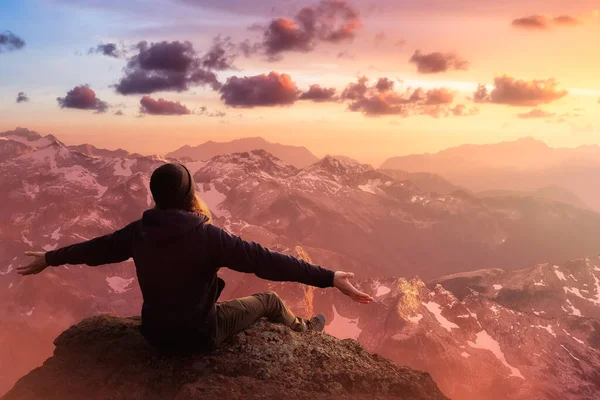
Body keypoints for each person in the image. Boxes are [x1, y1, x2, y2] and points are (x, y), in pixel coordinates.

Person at [18, 163, 373, 351]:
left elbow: (94, 249)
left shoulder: (138, 231)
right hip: (199, 336)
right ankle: (304, 330)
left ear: (155, 196)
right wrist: (329, 278)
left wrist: (49, 258)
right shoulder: (208, 237)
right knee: (270, 299)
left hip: (155, 335)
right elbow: (267, 261)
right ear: (190, 194)